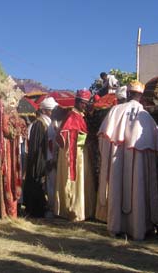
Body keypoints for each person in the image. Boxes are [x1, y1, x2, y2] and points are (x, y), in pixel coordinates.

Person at [97, 80, 158, 240]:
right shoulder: (146, 117)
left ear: (127, 94)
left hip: (117, 161)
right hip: (139, 165)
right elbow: (157, 148)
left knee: (117, 188)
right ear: (141, 96)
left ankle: (116, 226)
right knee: (138, 189)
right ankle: (139, 228)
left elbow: (103, 139)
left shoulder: (116, 111)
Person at [54, 89, 93, 221]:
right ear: (77, 102)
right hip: (73, 154)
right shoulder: (72, 116)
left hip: (81, 153)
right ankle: (71, 209)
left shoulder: (81, 116)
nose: (85, 106)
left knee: (82, 180)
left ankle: (81, 209)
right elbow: (64, 135)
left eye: (86, 103)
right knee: (73, 181)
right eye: (83, 103)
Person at [23, 96, 58, 217]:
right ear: (44, 111)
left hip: (51, 159)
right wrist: (43, 162)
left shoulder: (51, 123)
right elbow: (38, 148)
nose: (52, 113)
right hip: (43, 161)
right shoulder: (39, 124)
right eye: (50, 110)